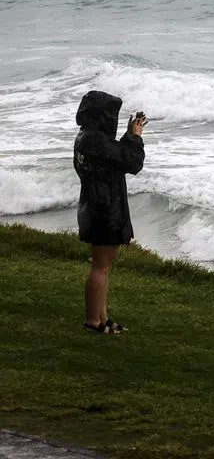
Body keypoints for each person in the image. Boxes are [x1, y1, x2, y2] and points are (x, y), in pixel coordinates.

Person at [74, 90, 146, 334]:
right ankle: (94, 321)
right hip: (104, 210)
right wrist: (135, 138)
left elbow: (116, 158)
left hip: (95, 207)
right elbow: (132, 162)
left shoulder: (87, 137)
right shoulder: (95, 141)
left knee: (102, 265)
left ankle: (102, 318)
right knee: (100, 266)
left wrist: (128, 136)